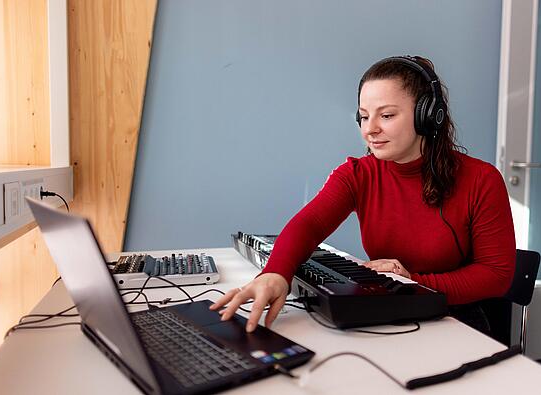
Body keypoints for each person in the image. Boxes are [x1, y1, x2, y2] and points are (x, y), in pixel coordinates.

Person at [210, 55, 516, 335]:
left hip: (456, 322)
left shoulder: (481, 179)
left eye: (386, 116)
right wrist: (275, 274)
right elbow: (309, 224)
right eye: (363, 116)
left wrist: (412, 281)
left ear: (427, 115)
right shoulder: (358, 173)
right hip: (389, 312)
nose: (370, 130)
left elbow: (497, 274)